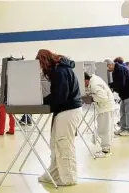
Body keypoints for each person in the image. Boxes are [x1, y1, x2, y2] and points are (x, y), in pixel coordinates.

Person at [35, 49, 83, 186]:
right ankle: (54, 174)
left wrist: (42, 101)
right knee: (55, 144)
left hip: (68, 111)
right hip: (65, 111)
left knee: (64, 144)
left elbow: (59, 96)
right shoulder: (61, 68)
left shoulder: (59, 72)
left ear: (44, 61)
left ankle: (68, 178)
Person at [106, 58, 129, 136]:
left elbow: (120, 84)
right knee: (123, 111)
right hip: (125, 93)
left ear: (110, 64)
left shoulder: (119, 69)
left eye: (107, 67)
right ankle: (123, 128)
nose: (107, 70)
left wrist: (109, 85)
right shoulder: (115, 70)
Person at [84, 72, 115, 158]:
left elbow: (102, 97)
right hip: (106, 107)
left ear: (85, 80)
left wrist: (92, 98)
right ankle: (105, 149)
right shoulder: (94, 79)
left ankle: (105, 151)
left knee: (104, 129)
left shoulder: (94, 84)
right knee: (104, 129)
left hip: (105, 108)